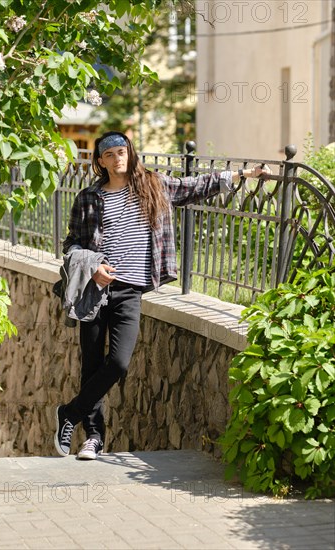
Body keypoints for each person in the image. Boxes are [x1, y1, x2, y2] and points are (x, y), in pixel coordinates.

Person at [54, 131, 271, 459]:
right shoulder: (88, 198)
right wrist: (93, 265)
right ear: (100, 161)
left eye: (121, 151)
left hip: (130, 291)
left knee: (118, 363)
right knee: (92, 365)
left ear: (130, 153)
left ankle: (68, 413)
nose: (118, 158)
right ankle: (93, 438)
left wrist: (242, 174)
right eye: (109, 154)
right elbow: (71, 243)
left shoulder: (153, 186)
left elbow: (195, 186)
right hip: (95, 290)